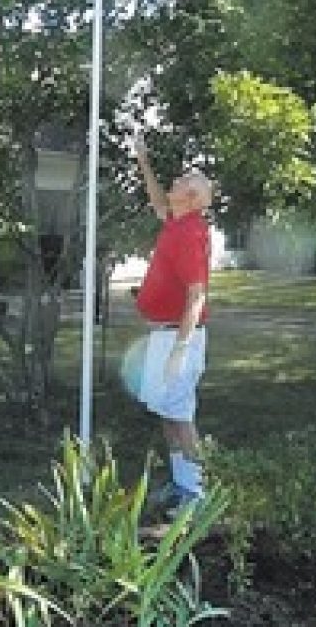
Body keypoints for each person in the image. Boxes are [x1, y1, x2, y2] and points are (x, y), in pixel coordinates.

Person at [132, 136, 212, 509]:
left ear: (193, 198)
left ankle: (198, 496)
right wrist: (144, 162)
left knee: (181, 417)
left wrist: (181, 349)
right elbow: (158, 203)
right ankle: (182, 484)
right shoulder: (178, 222)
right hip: (164, 334)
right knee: (166, 412)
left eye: (185, 183)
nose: (176, 183)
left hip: (179, 337)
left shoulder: (191, 234)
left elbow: (197, 295)